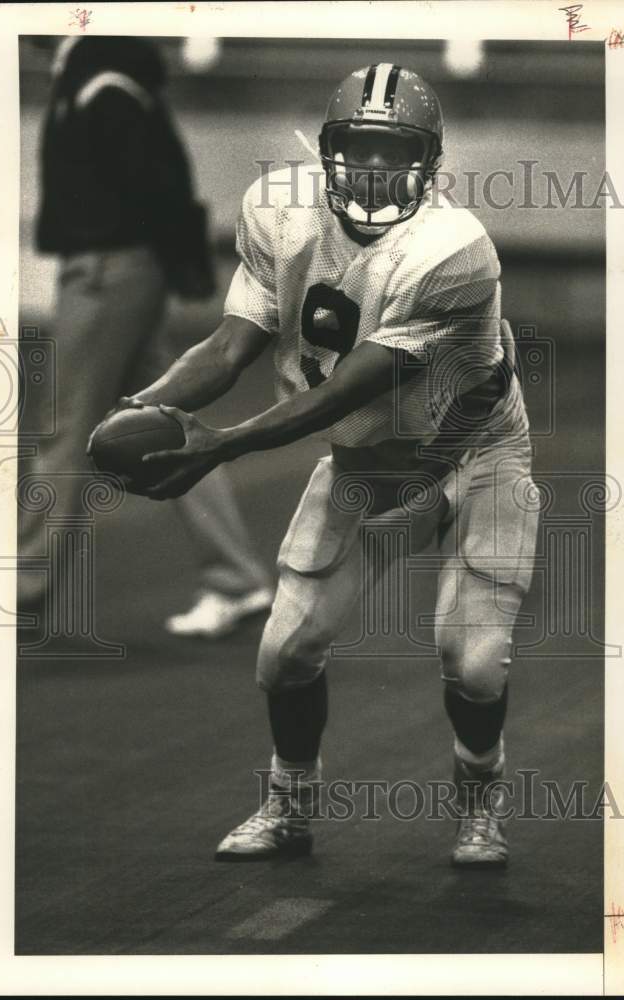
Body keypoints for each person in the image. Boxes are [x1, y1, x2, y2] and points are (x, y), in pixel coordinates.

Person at [97, 63, 539, 865]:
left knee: (472, 662)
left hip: (472, 451)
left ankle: (480, 805)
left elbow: (345, 388)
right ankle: (288, 808)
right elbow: (228, 346)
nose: (372, 166)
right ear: (327, 147)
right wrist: (144, 407)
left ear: (429, 160)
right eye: (357, 146)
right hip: (368, 455)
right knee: (285, 650)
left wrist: (219, 444)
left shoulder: (452, 250)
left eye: (393, 150)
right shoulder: (279, 210)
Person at [19, 36, 273, 637]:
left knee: (65, 427)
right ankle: (237, 578)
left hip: (106, 273)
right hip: (121, 271)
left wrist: (164, 267)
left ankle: (20, 589)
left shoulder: (102, 86)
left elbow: (158, 187)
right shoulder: (106, 81)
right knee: (163, 422)